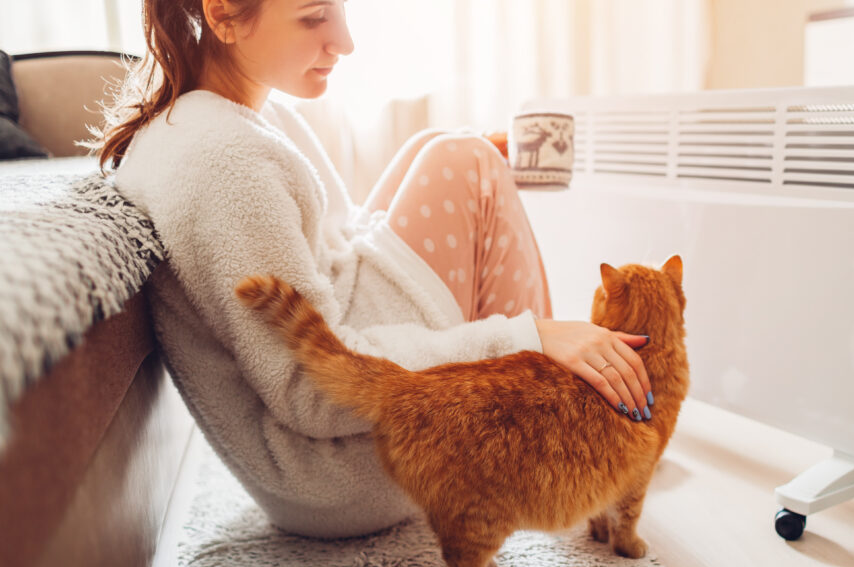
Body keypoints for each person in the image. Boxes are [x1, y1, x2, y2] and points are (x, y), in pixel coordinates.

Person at [99, 0, 655, 537]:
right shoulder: (223, 162)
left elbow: (330, 247)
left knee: (445, 147)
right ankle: (555, 439)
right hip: (340, 470)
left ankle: (552, 416)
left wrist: (466, 176)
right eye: (315, 16)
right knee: (465, 162)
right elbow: (312, 396)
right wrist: (526, 335)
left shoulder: (236, 118)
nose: (345, 41)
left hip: (344, 424)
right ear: (220, 13)